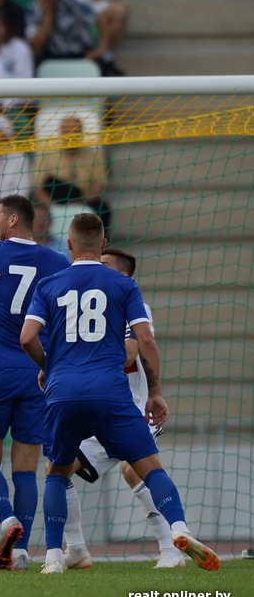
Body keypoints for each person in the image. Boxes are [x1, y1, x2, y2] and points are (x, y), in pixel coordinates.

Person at [21, 212, 219, 573]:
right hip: (112, 395)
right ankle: (177, 530)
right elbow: (143, 343)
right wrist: (157, 390)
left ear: (69, 244)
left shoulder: (50, 285)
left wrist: (49, 366)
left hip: (66, 392)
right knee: (148, 468)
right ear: (102, 244)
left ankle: (54, 557)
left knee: (58, 472)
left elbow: (26, 337)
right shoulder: (123, 289)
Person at [59, 247, 188, 570]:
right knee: (59, 468)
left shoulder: (134, 305)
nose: (97, 269)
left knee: (134, 469)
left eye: (104, 265)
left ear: (123, 276)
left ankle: (171, 547)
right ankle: (75, 548)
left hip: (133, 407)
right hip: (96, 408)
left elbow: (130, 353)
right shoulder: (86, 308)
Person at [0, 194, 69, 570]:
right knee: (26, 467)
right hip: (38, 372)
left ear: (14, 220)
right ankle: (20, 553)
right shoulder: (59, 263)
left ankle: (7, 520)